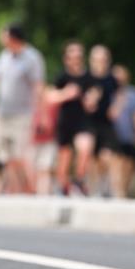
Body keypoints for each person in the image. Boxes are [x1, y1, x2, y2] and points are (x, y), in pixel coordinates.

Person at [0, 24, 45, 193]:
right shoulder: (4, 56)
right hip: (2, 113)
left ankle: (28, 190)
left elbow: (38, 87)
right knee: (5, 156)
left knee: (20, 156)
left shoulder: (32, 58)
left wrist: (40, 114)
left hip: (22, 115)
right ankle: (15, 191)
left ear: (13, 38)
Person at [49, 41, 96, 196]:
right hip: (66, 121)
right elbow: (49, 97)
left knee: (85, 148)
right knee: (64, 158)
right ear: (66, 59)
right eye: (73, 57)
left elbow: (94, 95)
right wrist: (66, 94)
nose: (76, 60)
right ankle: (63, 187)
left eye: (79, 57)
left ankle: (79, 180)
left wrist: (91, 100)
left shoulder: (89, 76)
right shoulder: (62, 76)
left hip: (83, 121)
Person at [108, 65, 135, 198]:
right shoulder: (108, 92)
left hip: (129, 135)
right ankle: (117, 190)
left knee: (129, 162)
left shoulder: (133, 94)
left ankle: (124, 190)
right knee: (116, 160)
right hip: (112, 134)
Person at [86, 44, 119, 196]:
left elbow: (120, 95)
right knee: (92, 157)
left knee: (107, 156)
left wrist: (116, 108)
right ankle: (94, 189)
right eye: (98, 60)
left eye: (104, 60)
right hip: (89, 122)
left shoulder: (111, 78)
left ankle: (105, 186)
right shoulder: (86, 77)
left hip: (106, 123)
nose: (101, 63)